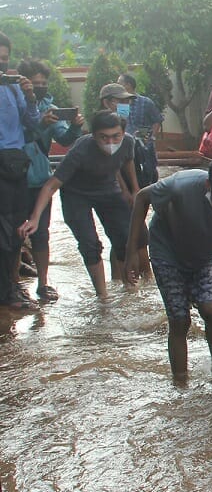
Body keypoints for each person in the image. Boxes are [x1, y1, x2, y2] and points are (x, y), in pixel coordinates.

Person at [125, 156, 212, 384]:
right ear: (208, 187)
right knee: (179, 319)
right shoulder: (182, 185)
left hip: (206, 253)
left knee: (211, 309)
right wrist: (132, 252)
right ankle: (180, 380)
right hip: (168, 253)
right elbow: (142, 197)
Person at [19, 110, 137, 300]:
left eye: (116, 136)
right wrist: (35, 218)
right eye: (103, 137)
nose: (110, 143)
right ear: (92, 134)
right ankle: (103, 296)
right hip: (76, 195)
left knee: (125, 237)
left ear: (123, 132)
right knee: (90, 244)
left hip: (108, 190)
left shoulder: (129, 141)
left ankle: (125, 288)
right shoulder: (82, 149)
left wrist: (133, 189)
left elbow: (127, 160)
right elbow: (51, 185)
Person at [17, 59, 83, 302]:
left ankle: (43, 284)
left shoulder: (50, 108)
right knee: (13, 232)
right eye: (35, 83)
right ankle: (14, 285)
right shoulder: (14, 106)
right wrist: (37, 125)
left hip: (40, 180)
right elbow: (15, 137)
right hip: (14, 178)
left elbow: (64, 139)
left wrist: (76, 128)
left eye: (43, 83)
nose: (40, 87)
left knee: (41, 234)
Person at [0, 33, 43, 309]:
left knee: (16, 228)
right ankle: (6, 291)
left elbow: (32, 123)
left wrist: (29, 95)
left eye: (4, 59)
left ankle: (11, 286)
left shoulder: (14, 87)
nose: (1, 64)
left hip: (15, 165)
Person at [118, 73, 163, 186]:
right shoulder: (122, 104)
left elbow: (157, 120)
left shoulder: (145, 102)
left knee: (148, 173)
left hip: (143, 141)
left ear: (128, 85)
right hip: (127, 144)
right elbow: (122, 123)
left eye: (120, 83)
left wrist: (151, 137)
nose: (118, 86)